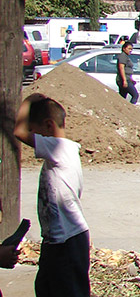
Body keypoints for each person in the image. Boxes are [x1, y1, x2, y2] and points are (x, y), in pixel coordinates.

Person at [13, 93, 91, 297]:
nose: (32, 136)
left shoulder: (59, 147)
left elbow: (18, 132)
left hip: (68, 241)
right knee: (46, 288)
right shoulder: (62, 154)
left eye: (34, 131)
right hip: (57, 240)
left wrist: (28, 101)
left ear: (48, 126)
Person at [116, 41, 139, 105]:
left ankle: (121, 109)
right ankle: (131, 109)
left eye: (131, 49)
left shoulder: (126, 56)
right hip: (124, 79)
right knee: (135, 95)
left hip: (127, 78)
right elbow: (121, 68)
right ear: (124, 48)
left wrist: (131, 79)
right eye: (129, 49)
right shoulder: (122, 56)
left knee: (122, 97)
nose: (130, 50)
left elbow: (127, 69)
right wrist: (124, 80)